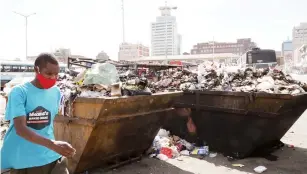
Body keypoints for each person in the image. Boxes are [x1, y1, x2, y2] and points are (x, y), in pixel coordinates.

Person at [1, 53, 76, 174]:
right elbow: (20, 129)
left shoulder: (56, 92)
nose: (53, 78)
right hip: (23, 160)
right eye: (49, 73)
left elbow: (48, 124)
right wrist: (52, 144)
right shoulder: (19, 92)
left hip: (49, 155)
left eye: (56, 74)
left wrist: (55, 145)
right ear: (37, 70)